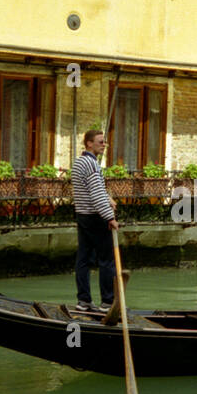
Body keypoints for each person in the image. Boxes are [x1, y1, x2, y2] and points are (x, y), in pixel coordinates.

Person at [71, 129, 119, 311]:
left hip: (82, 215)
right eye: (100, 141)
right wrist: (110, 217)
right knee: (107, 260)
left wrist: (109, 198)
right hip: (95, 217)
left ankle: (83, 301)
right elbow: (96, 194)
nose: (104, 144)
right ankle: (107, 302)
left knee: (83, 259)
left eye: (104, 142)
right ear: (89, 143)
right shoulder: (92, 165)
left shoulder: (79, 163)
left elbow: (92, 188)